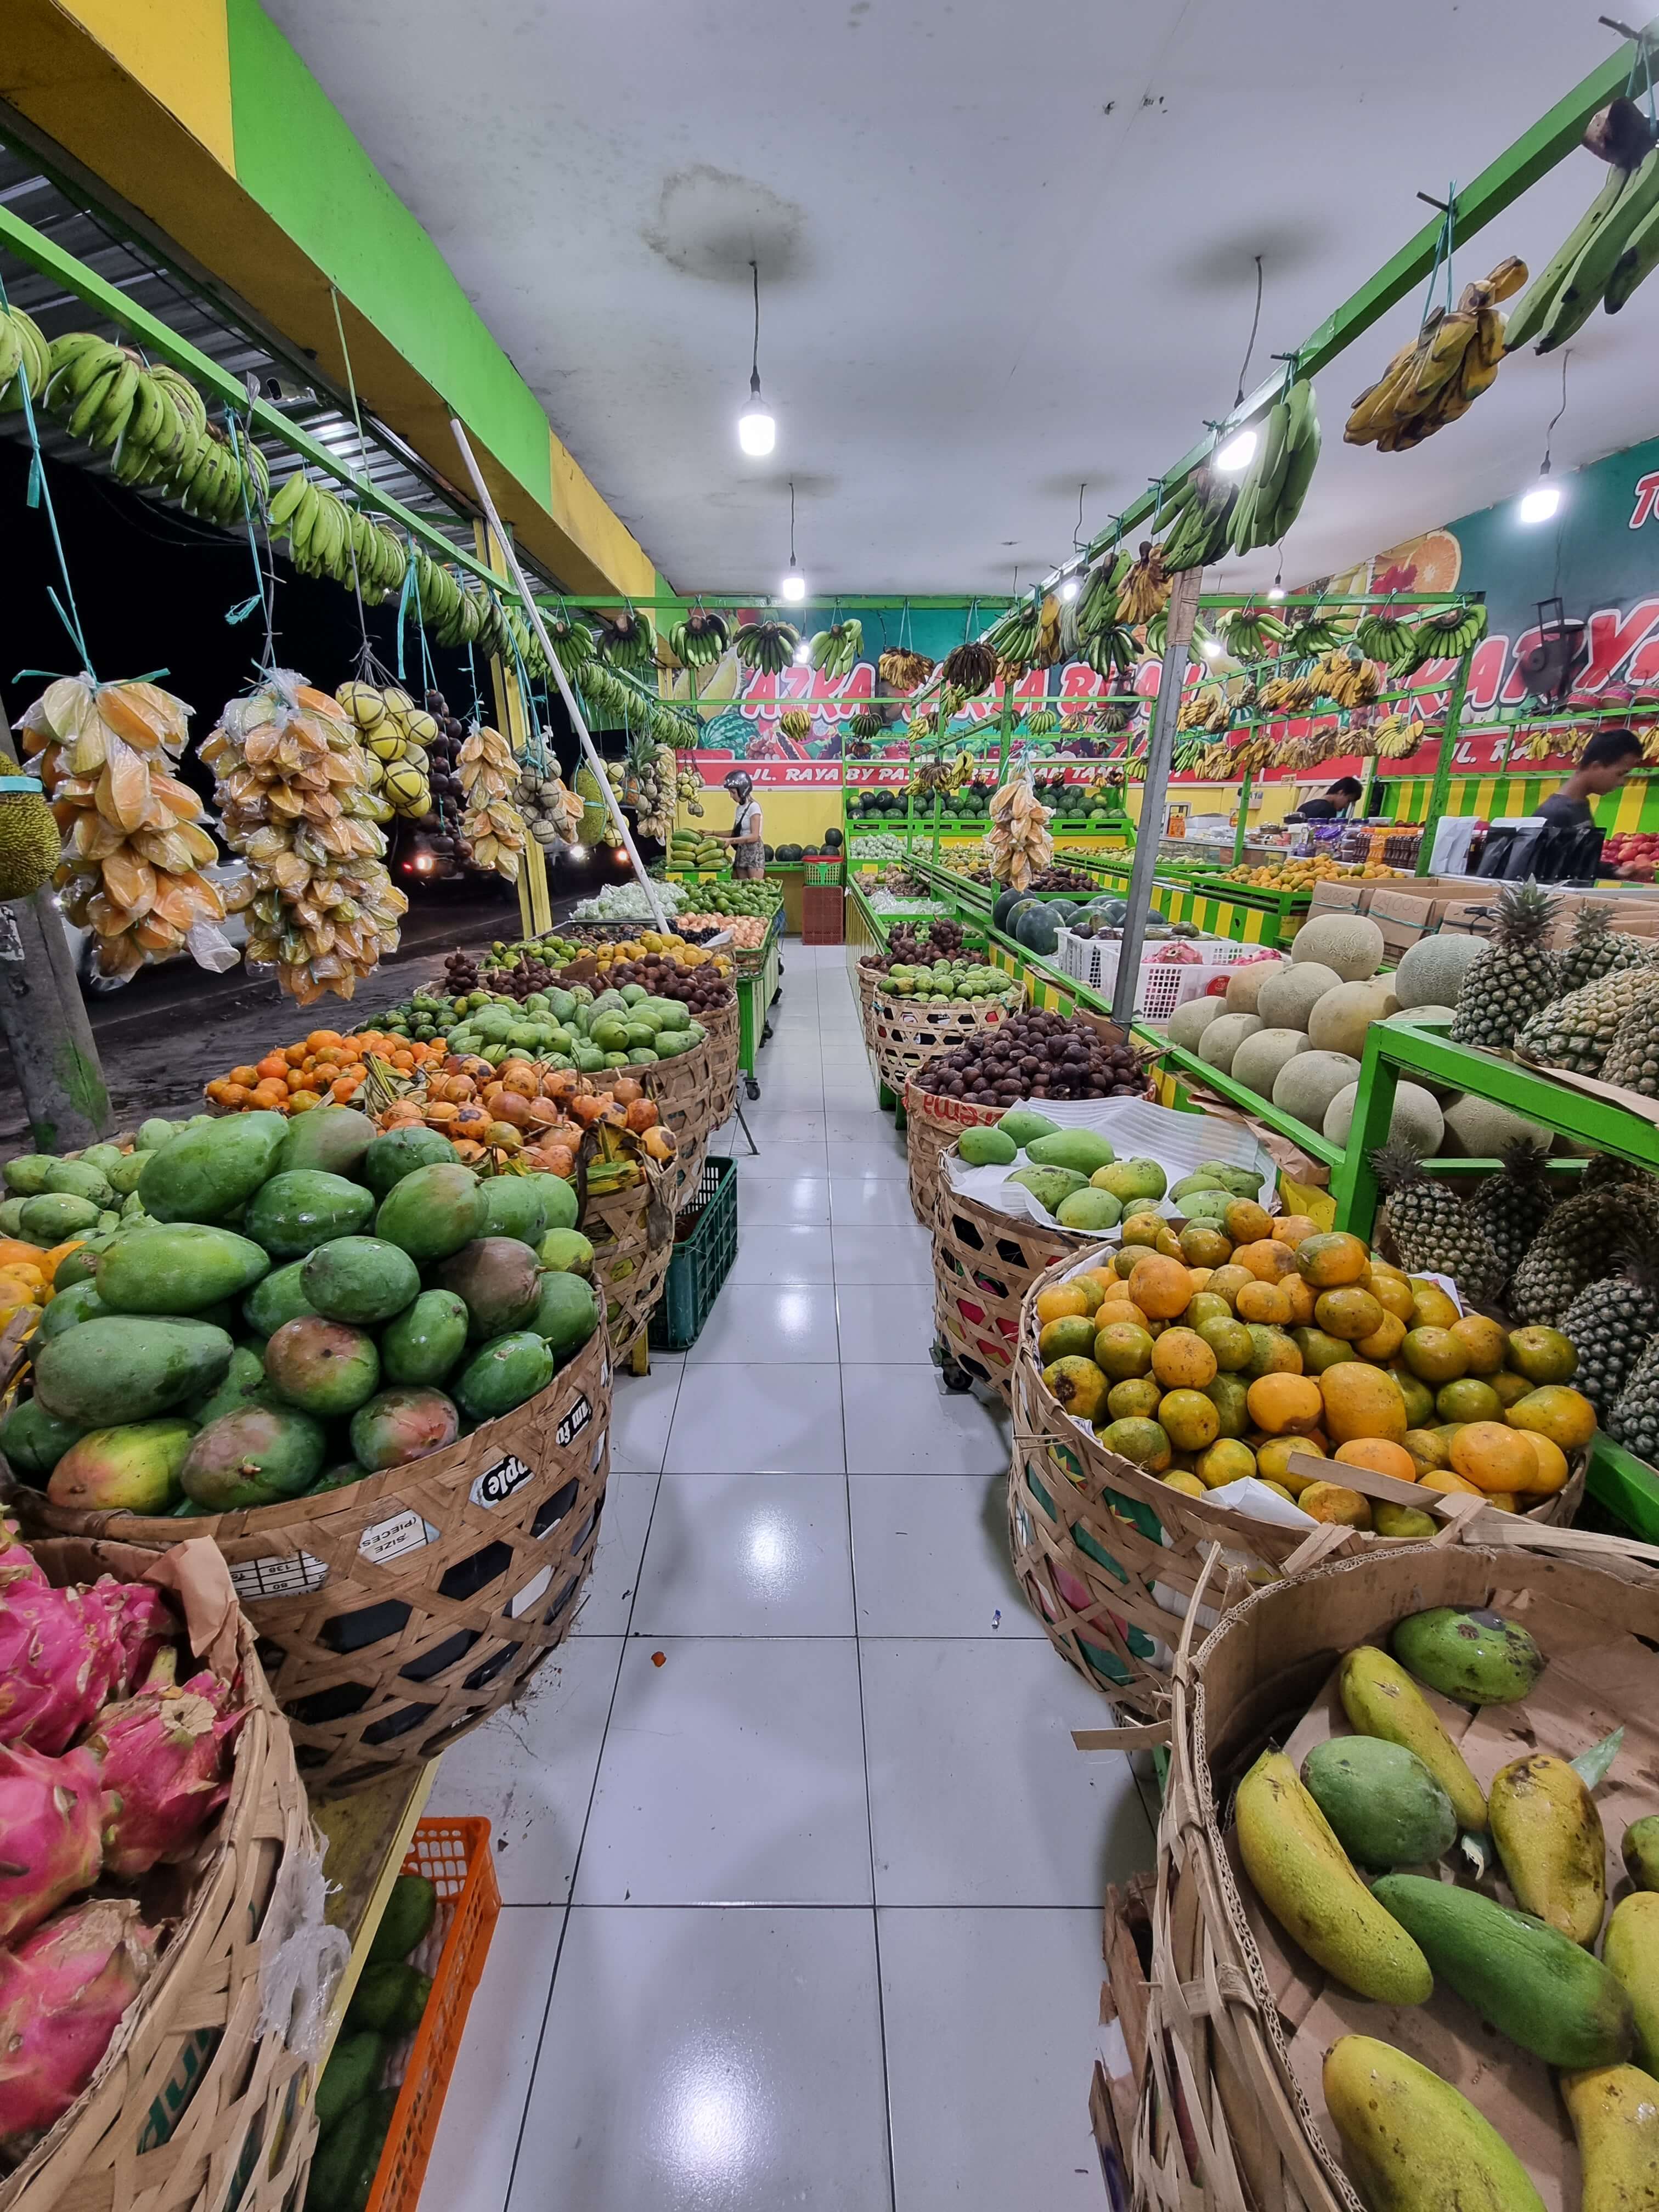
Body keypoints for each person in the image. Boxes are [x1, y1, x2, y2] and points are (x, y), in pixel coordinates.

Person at [1533, 726, 1644, 879]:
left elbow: (1576, 863)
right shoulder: (1554, 814)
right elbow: (1540, 875)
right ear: (1596, 767)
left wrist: (1614, 872)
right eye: (1620, 773)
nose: (1621, 782)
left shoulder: (1580, 806)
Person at [718, 769, 766, 879]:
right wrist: (712, 833)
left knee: (755, 889)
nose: (731, 796)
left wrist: (731, 841)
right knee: (742, 889)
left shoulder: (754, 807)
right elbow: (735, 833)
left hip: (754, 852)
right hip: (741, 850)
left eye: (733, 792)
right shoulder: (739, 808)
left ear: (743, 791)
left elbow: (754, 836)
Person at [1285, 776, 1363, 824]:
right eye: (1348, 801)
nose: (1346, 807)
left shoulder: (1306, 805)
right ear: (1341, 792)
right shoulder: (1328, 810)